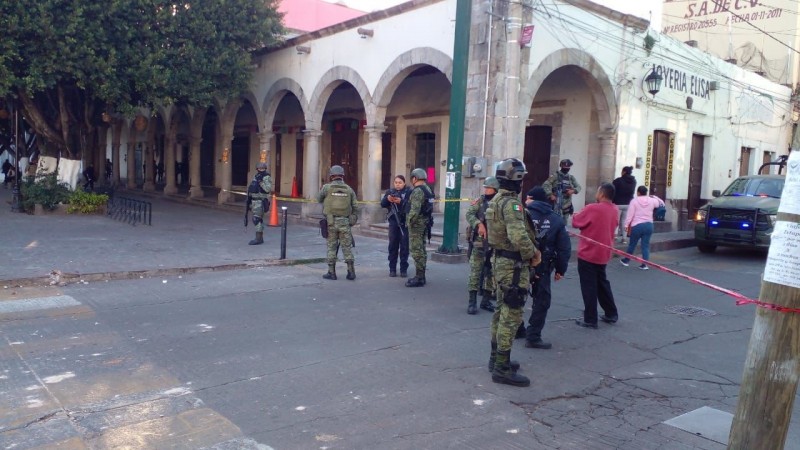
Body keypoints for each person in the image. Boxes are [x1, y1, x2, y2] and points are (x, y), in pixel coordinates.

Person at [485, 158, 541, 387]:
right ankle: (501, 368)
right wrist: (533, 254)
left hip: (500, 262)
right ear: (516, 179)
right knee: (511, 314)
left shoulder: (496, 200)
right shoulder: (511, 204)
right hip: (513, 266)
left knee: (501, 311)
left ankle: (496, 359)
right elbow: (519, 236)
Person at [523, 186, 571, 349]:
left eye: (527, 198)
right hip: (543, 266)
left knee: (515, 296)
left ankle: (516, 330)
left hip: (519, 264)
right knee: (541, 301)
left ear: (531, 199)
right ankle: (533, 336)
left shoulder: (521, 215)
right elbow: (564, 248)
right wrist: (560, 269)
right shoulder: (556, 219)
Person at [571, 183, 620, 328]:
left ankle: (590, 318)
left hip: (589, 252)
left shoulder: (593, 208)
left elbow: (576, 222)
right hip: (604, 252)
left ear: (602, 194)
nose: (596, 194)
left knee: (589, 286)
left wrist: (576, 213)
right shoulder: (615, 209)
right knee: (602, 283)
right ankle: (611, 312)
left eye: (598, 191)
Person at [465, 176, 499, 314]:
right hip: (479, 242)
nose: (486, 190)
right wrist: (478, 224)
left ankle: (486, 300)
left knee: (491, 273)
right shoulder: (480, 201)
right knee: (475, 272)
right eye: (485, 187)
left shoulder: (500, 202)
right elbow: (469, 214)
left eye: (488, 188)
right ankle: (472, 302)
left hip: (495, 242)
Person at [318, 165, 358, 280]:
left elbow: (318, 199)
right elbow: (355, 207)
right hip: (345, 222)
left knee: (331, 247)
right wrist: (352, 220)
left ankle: (331, 272)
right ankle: (351, 272)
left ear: (331, 176)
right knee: (347, 248)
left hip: (331, 222)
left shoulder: (326, 188)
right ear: (342, 175)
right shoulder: (349, 189)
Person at [620, 185, 665, 270]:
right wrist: (655, 196)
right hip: (649, 225)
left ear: (638, 192)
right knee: (645, 245)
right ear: (646, 193)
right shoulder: (652, 201)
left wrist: (626, 225)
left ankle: (626, 260)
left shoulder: (634, 201)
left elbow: (630, 215)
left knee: (632, 244)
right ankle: (645, 264)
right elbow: (661, 203)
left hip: (637, 225)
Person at [404, 168, 434, 288]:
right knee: (422, 249)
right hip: (425, 223)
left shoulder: (417, 191)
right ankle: (421, 275)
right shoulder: (428, 189)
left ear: (414, 178)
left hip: (416, 225)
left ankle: (419, 277)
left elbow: (414, 211)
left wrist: (408, 222)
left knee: (416, 250)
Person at [380, 175, 411, 278]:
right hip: (393, 223)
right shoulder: (390, 192)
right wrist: (388, 199)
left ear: (404, 183)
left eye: (400, 182)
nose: (398, 184)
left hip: (404, 223)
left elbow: (411, 206)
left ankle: (403, 270)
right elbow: (382, 204)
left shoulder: (408, 192)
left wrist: (401, 201)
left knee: (404, 247)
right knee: (393, 246)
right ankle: (392, 269)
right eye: (396, 182)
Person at [542, 158, 582, 225]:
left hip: (567, 205)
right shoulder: (555, 176)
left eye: (568, 167)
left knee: (564, 225)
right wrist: (550, 195)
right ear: (561, 166)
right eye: (565, 166)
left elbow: (579, 187)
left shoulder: (571, 177)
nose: (566, 168)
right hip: (556, 204)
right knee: (555, 223)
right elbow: (545, 185)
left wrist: (573, 191)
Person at [246, 162, 273, 245]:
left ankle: (258, 239)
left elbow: (268, 189)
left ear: (265, 169)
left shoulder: (266, 177)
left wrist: (261, 182)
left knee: (256, 219)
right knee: (257, 219)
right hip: (254, 201)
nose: (261, 170)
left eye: (262, 169)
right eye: (259, 169)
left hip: (260, 201)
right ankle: (260, 238)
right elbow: (252, 187)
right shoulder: (256, 176)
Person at [612, 166, 636, 244]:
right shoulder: (634, 181)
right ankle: (624, 238)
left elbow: (612, 191)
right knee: (625, 221)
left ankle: (615, 235)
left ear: (624, 172)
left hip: (617, 203)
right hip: (628, 204)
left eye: (622, 171)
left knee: (616, 220)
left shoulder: (617, 181)